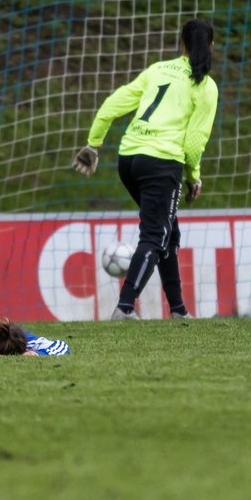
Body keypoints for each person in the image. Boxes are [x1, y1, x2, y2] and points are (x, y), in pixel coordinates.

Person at [72, 18, 219, 320]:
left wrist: (93, 144)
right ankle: (125, 307)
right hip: (162, 163)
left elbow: (114, 103)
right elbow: (194, 141)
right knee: (155, 234)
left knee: (168, 231)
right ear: (212, 46)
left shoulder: (157, 70)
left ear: (181, 45)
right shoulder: (205, 85)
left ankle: (178, 310)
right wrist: (194, 177)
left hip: (129, 160)